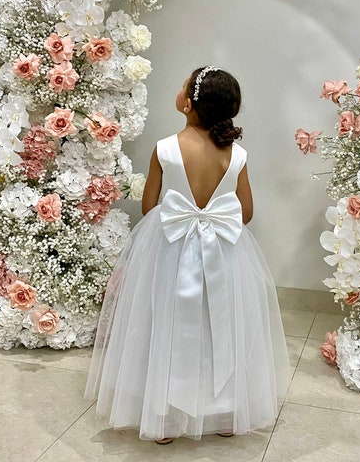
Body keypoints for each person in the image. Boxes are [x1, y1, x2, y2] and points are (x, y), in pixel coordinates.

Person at [84, 66, 290, 443]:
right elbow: (244, 214)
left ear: (188, 104)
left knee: (166, 323)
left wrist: (185, 216)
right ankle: (226, 414)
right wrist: (213, 217)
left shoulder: (164, 148)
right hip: (224, 254)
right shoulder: (237, 154)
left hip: (170, 251)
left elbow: (150, 205)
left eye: (182, 86)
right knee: (221, 326)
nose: (178, 91)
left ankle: (162, 418)